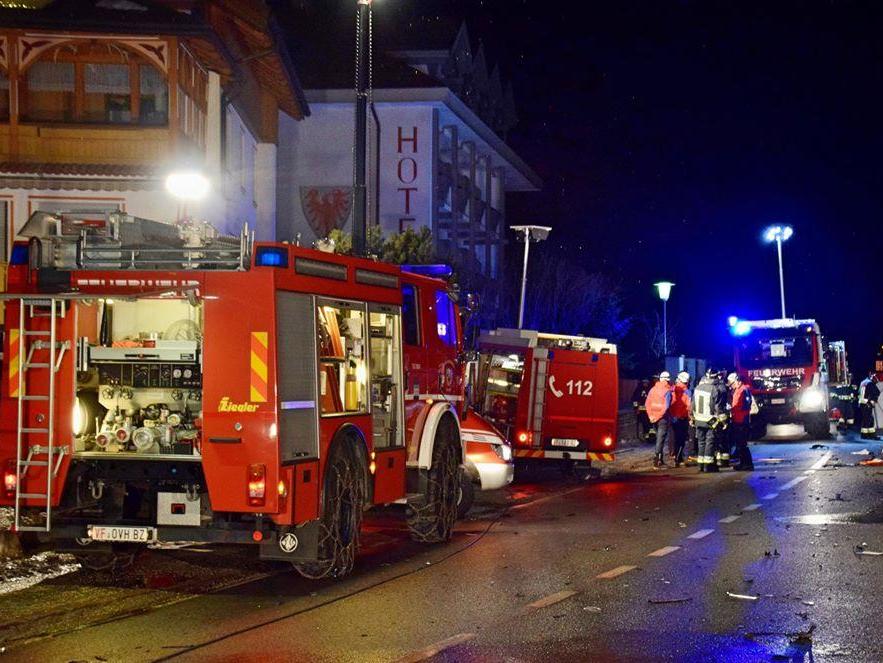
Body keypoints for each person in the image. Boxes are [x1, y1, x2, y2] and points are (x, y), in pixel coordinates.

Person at [692, 369, 729, 472]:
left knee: (701, 442)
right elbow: (717, 408)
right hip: (710, 420)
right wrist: (724, 421)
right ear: (716, 377)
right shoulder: (714, 389)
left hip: (698, 419)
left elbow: (692, 405)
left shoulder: (697, 388)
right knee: (710, 442)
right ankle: (708, 466)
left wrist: (692, 417)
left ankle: (701, 465)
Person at [645, 371, 673, 468]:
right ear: (667, 380)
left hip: (653, 419)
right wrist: (657, 416)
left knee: (658, 439)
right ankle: (657, 461)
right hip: (662, 419)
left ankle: (659, 460)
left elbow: (647, 404)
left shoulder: (652, 389)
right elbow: (666, 407)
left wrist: (651, 416)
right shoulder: (667, 391)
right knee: (660, 440)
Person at [728, 372, 754, 471]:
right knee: (740, 444)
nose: (732, 386)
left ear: (737, 381)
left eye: (732, 383)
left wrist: (734, 410)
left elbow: (746, 405)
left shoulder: (743, 390)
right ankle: (743, 463)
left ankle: (748, 464)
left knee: (742, 444)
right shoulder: (738, 390)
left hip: (742, 421)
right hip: (738, 419)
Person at [670, 371, 692, 467]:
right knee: (681, 439)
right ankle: (678, 459)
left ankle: (673, 455)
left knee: (674, 438)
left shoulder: (671, 389)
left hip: (672, 417)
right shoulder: (687, 392)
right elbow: (689, 406)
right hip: (682, 418)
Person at [858, 371, 880, 440]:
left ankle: (869, 434)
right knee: (868, 420)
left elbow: (859, 393)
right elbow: (876, 392)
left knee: (868, 419)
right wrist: (872, 401)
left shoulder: (863, 382)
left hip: (862, 403)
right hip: (867, 403)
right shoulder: (870, 383)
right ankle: (866, 435)